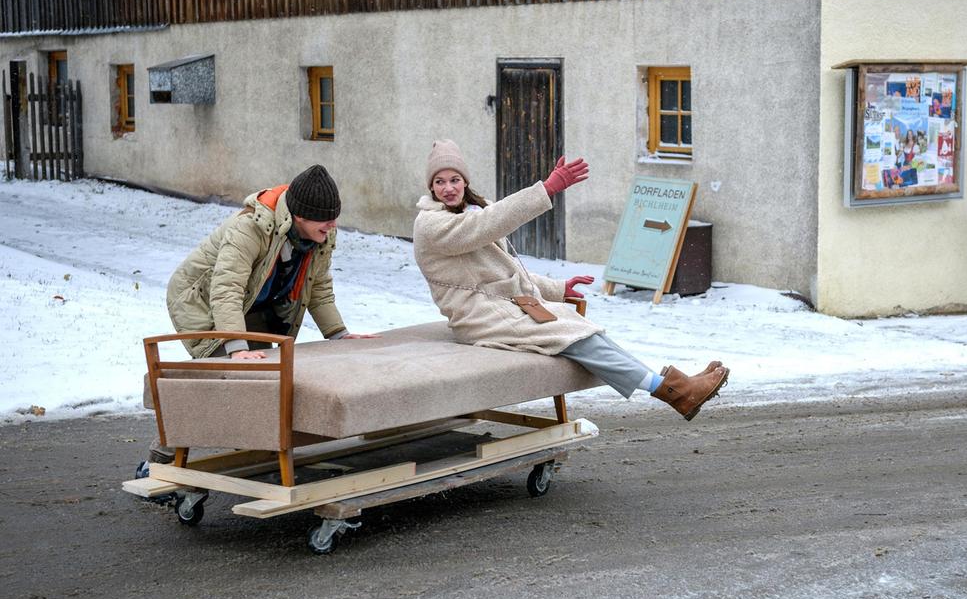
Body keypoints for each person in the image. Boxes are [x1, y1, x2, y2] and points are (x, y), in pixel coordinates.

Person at [412, 140, 729, 421]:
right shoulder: (432, 225)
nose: (448, 187)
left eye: (454, 179)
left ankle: (677, 388)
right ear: (431, 188)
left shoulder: (468, 212)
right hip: (478, 317)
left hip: (501, 307)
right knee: (573, 336)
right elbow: (488, 224)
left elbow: (502, 270)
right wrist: (546, 189)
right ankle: (673, 390)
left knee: (587, 330)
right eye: (439, 182)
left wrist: (557, 288)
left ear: (465, 181)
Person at [137, 165, 378, 479]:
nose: (333, 225)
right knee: (225, 376)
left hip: (259, 303)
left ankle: (258, 452)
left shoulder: (321, 236)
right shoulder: (251, 227)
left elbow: (318, 287)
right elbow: (226, 288)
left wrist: (338, 334)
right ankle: (160, 460)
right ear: (301, 215)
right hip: (202, 301)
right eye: (325, 218)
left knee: (264, 378)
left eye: (335, 216)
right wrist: (235, 346)